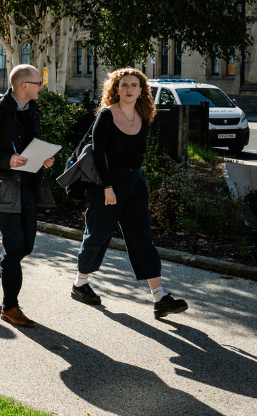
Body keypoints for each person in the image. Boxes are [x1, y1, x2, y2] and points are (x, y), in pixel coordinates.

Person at [71, 68, 188, 318]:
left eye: (134, 85)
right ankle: (80, 283)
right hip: (108, 183)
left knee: (142, 237)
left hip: (136, 183)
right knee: (98, 234)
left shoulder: (143, 115)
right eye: (124, 85)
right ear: (116, 88)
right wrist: (107, 186)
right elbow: (99, 154)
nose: (129, 89)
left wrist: (136, 183)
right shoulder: (106, 115)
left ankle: (160, 297)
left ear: (141, 90)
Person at [0, 64, 56, 328]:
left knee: (25, 246)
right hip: (1, 188)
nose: (42, 86)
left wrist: (42, 158)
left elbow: (30, 145)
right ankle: (10, 307)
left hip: (27, 185)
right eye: (38, 82)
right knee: (15, 246)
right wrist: (7, 159)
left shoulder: (33, 110)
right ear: (24, 85)